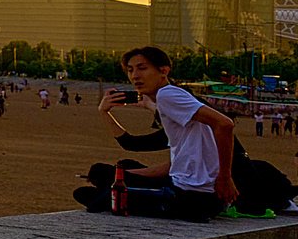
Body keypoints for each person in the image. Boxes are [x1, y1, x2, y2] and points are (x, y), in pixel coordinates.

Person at [86, 48, 238, 218]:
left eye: (142, 68)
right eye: (130, 70)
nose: (135, 76)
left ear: (164, 71)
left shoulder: (167, 95)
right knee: (119, 170)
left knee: (96, 184)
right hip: (196, 191)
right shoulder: (174, 96)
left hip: (192, 196)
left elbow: (225, 124)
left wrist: (224, 178)